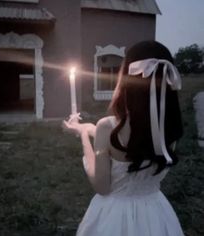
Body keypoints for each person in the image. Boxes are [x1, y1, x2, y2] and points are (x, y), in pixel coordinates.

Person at [63, 41, 184, 236]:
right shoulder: (170, 129)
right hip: (154, 212)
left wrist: (84, 136)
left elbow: (102, 186)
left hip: (113, 216)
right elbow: (136, 140)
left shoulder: (107, 126)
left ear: (127, 79)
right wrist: (89, 127)